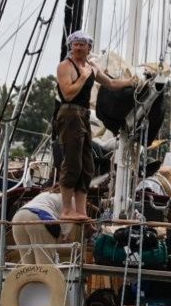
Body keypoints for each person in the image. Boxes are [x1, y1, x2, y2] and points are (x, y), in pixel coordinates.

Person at [55, 30, 134, 222]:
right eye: (76, 44)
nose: (79, 47)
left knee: (87, 165)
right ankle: (66, 210)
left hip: (83, 115)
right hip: (70, 112)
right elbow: (68, 94)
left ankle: (80, 211)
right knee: (72, 162)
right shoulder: (65, 66)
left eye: (83, 44)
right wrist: (82, 77)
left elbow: (111, 83)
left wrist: (132, 82)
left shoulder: (92, 66)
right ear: (71, 46)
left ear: (89, 47)